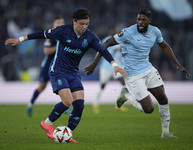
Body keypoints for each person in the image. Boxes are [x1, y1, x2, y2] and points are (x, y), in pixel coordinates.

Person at [5, 8, 127, 143]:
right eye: (81, 23)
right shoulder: (63, 30)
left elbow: (103, 50)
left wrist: (115, 65)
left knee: (79, 105)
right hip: (58, 70)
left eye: (87, 24)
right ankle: (47, 123)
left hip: (73, 73)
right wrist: (20, 39)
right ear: (74, 21)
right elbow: (41, 34)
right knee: (68, 101)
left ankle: (67, 134)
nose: (84, 27)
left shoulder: (90, 36)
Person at [84, 8, 191, 139]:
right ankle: (127, 95)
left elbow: (164, 46)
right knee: (149, 109)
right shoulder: (128, 32)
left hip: (149, 70)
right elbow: (106, 43)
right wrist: (94, 64)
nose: (140, 22)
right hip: (133, 74)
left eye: (143, 20)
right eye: (138, 19)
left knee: (163, 99)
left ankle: (165, 133)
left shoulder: (155, 31)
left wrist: (177, 64)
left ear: (149, 21)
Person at [27, 16, 72, 117]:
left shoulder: (66, 36)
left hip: (59, 66)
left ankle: (65, 105)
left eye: (62, 23)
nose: (60, 24)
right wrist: (59, 46)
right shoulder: (51, 35)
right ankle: (30, 104)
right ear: (53, 25)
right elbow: (46, 51)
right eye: (58, 22)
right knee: (41, 87)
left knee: (64, 83)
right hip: (47, 66)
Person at [93, 27, 128, 114]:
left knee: (124, 84)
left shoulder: (120, 41)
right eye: (115, 30)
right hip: (106, 67)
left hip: (117, 67)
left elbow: (120, 55)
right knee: (102, 86)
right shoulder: (107, 40)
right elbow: (102, 52)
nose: (116, 32)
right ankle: (95, 104)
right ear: (111, 31)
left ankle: (119, 105)